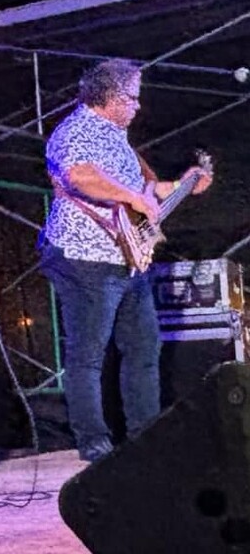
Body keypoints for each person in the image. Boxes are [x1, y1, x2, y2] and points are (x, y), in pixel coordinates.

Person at [38, 58, 212, 462]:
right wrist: (133, 197)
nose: (137, 106)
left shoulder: (118, 139)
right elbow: (79, 176)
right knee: (88, 353)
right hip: (85, 256)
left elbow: (146, 193)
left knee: (144, 347)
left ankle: (144, 437)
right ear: (111, 97)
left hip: (128, 258)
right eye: (132, 98)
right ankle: (94, 442)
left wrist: (185, 184)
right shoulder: (75, 130)